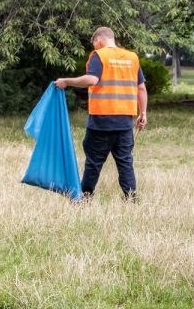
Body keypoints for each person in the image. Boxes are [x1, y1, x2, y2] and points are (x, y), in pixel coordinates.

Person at [53, 27, 148, 199]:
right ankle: (131, 197)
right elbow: (141, 88)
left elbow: (91, 79)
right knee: (125, 161)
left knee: (94, 162)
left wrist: (66, 81)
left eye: (94, 44)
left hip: (101, 121)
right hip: (125, 121)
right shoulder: (131, 58)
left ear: (98, 40)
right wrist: (143, 113)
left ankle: (85, 197)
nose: (94, 48)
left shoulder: (100, 55)